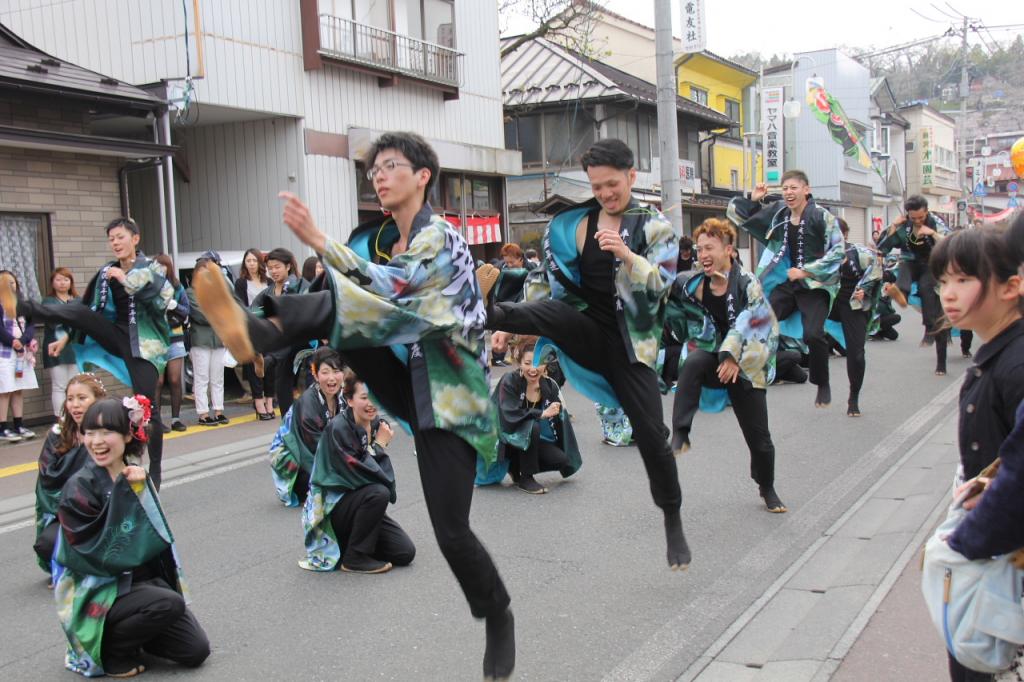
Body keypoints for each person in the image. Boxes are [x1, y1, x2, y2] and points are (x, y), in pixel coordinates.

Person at [194, 131, 515, 680]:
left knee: (452, 531)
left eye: (390, 166)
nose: (379, 177)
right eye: (373, 172)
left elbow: (392, 284)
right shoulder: (395, 238)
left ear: (422, 177)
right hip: (408, 376)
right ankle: (253, 331)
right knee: (343, 309)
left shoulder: (440, 236)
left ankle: (497, 614)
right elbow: (376, 290)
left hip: (451, 398)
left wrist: (319, 239)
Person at [478, 137, 691, 570]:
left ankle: (672, 518)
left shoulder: (654, 228)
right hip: (583, 326)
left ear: (632, 176)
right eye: (597, 187)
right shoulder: (575, 224)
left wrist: (629, 256)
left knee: (652, 436)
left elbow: (662, 287)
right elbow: (548, 285)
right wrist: (506, 329)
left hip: (629, 345)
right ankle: (489, 312)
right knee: (554, 312)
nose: (606, 194)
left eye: (613, 184)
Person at [2, 217, 176, 487]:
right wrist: (65, 340)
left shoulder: (150, 267)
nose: (115, 243)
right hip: (114, 335)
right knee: (79, 309)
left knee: (147, 407)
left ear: (135, 238)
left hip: (144, 346)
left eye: (120, 237)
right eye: (111, 239)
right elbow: (88, 309)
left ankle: (154, 470)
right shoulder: (107, 270)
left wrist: (127, 280)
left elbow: (163, 298)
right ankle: (24, 308)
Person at [53, 396, 209, 677]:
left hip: (143, 585)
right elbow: (99, 554)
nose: (97, 441)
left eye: (106, 432)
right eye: (90, 433)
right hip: (100, 588)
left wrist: (138, 489)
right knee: (168, 603)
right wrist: (129, 493)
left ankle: (136, 635)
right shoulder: (78, 488)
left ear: (127, 435)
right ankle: (112, 650)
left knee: (195, 650)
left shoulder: (135, 474)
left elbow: (159, 536)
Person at [929, 222, 1024, 682]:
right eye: (943, 281)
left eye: (964, 279)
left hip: (1005, 566)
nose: (949, 293)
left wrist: (966, 544)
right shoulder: (1000, 353)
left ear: (1011, 286)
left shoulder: (1016, 362)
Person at [666, 218, 786, 512]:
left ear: (729, 250)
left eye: (709, 248)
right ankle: (680, 431)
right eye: (699, 249)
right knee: (693, 362)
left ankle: (766, 486)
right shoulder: (692, 284)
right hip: (712, 359)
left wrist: (732, 355)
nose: (702, 255)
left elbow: (754, 322)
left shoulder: (747, 283)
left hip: (746, 363)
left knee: (760, 440)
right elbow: (666, 305)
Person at [727, 172, 844, 407]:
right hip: (788, 283)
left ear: (806, 190)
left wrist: (808, 271)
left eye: (793, 188)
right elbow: (739, 216)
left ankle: (822, 382)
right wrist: (752, 199)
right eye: (785, 188)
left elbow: (838, 251)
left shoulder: (822, 216)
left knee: (813, 334)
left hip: (815, 285)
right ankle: (746, 373)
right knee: (759, 321)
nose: (789, 193)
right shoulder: (779, 213)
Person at [300, 370, 416, 574]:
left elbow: (372, 472)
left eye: (374, 397)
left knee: (404, 552)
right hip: (332, 508)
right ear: (349, 400)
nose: (371, 403)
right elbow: (363, 474)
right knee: (379, 492)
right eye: (364, 397)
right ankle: (354, 557)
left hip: (357, 503)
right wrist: (379, 446)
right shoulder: (339, 428)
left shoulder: (376, 423)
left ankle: (351, 545)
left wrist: (376, 445)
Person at [481, 338, 580, 494]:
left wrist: (556, 410)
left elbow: (560, 422)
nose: (533, 369)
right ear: (520, 363)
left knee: (561, 460)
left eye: (538, 363)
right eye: (527, 363)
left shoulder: (549, 385)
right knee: (531, 426)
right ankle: (526, 478)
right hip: (504, 437)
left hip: (530, 440)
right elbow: (508, 415)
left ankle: (516, 467)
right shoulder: (509, 381)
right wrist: (541, 413)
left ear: (545, 365)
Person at [33, 373, 107, 582]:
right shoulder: (58, 434)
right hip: (66, 508)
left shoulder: (109, 431)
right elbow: (48, 478)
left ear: (97, 400)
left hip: (102, 507)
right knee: (46, 544)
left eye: (82, 398)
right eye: (70, 398)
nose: (75, 405)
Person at [876, 194, 951, 374]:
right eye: (913, 217)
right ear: (908, 214)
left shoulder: (935, 222)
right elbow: (883, 247)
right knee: (903, 281)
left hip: (931, 265)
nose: (917, 221)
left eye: (921, 217)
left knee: (929, 294)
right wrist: (894, 226)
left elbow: (950, 242)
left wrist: (932, 233)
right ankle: (901, 296)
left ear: (927, 212)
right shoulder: (903, 224)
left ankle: (939, 359)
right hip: (908, 262)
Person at [268, 346, 345, 507]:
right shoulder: (308, 403)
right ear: (315, 375)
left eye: (336, 371)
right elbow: (313, 450)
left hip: (325, 454)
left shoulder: (342, 396)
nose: (332, 378)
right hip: (297, 459)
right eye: (325, 372)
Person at [830, 219, 881, 417]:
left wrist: (865, 291)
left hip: (853, 305)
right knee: (810, 335)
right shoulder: (819, 255)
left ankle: (854, 396)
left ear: (846, 234)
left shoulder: (860, 253)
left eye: (837, 233)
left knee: (857, 353)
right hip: (828, 304)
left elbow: (876, 275)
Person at [254, 247, 304, 417]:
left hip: (301, 341)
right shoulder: (267, 292)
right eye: (270, 268)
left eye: (277, 267)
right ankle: (287, 427)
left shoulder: (298, 285)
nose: (273, 271)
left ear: (288, 266)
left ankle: (268, 362)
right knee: (283, 392)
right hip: (280, 347)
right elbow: (252, 310)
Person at [187, 254, 229, 426]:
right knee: (201, 377)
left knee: (218, 377)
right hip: (201, 340)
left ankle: (219, 410)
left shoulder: (218, 291)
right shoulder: (190, 292)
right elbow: (200, 315)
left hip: (218, 339)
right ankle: (203, 413)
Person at [234, 247, 273, 419]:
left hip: (269, 327)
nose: (251, 264)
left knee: (271, 364)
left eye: (254, 260)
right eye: (248, 261)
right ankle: (258, 401)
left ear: (260, 262)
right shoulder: (241, 283)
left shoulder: (270, 282)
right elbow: (240, 306)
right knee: (254, 365)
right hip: (251, 328)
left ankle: (270, 401)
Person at [0, 271, 39, 442]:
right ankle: (2, 428)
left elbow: (31, 325)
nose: (11, 285)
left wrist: (22, 340)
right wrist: (13, 341)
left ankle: (19, 425)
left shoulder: (22, 304)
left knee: (18, 389)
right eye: (6, 282)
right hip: (4, 354)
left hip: (21, 354)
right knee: (5, 390)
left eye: (13, 282)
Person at [153, 254, 189, 433]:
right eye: (156, 266)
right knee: (157, 382)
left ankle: (176, 419)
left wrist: (175, 306)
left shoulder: (177, 286)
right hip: (155, 340)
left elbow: (186, 310)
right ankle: (156, 420)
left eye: (163, 266)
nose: (160, 269)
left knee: (175, 380)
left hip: (175, 338)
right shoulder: (148, 287)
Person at [42, 268, 81, 418]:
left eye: (66, 279)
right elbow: (56, 321)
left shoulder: (78, 300)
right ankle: (62, 420)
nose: (62, 283)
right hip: (56, 347)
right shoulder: (48, 301)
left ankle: (75, 416)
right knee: (59, 386)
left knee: (75, 385)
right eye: (58, 279)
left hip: (75, 348)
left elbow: (84, 321)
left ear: (71, 282)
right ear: (52, 282)